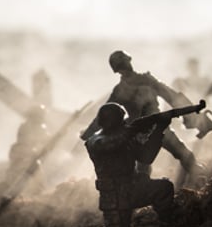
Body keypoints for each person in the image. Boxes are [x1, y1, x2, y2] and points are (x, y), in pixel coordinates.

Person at [84, 51, 204, 184]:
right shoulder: (123, 89)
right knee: (146, 167)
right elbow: (105, 115)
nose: (126, 66)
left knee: (182, 155)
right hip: (143, 132)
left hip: (152, 129)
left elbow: (171, 96)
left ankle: (198, 184)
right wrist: (89, 133)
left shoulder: (139, 83)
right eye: (123, 64)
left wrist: (191, 115)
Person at [80, 102, 176, 227]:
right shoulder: (96, 140)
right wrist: (134, 129)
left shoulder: (124, 137)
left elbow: (146, 157)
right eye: (121, 122)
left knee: (164, 188)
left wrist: (159, 129)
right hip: (114, 196)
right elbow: (109, 144)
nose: (125, 124)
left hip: (133, 188)